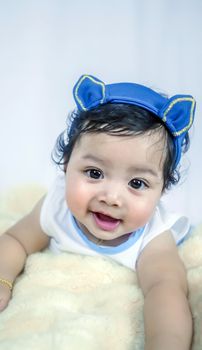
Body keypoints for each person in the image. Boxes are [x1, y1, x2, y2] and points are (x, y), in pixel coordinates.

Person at [0, 74, 196, 349]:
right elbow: (16, 240)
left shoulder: (153, 236)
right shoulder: (56, 206)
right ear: (67, 165)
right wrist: (4, 279)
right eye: (94, 173)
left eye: (137, 183)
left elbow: (165, 291)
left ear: (161, 190)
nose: (112, 198)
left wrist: (165, 342)